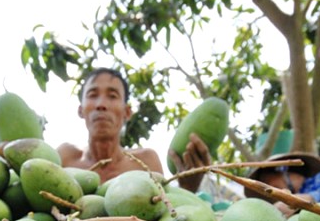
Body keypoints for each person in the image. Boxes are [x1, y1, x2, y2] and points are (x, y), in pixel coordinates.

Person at [58, 67, 209, 192]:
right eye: (93, 95)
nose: (101, 104)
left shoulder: (146, 162)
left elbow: (164, 212)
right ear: (80, 110)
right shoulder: (64, 157)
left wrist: (188, 188)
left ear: (127, 112)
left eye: (112, 96)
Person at [245, 151, 320, 218]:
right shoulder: (294, 195)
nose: (277, 191)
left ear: (283, 170)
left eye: (275, 186)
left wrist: (308, 199)